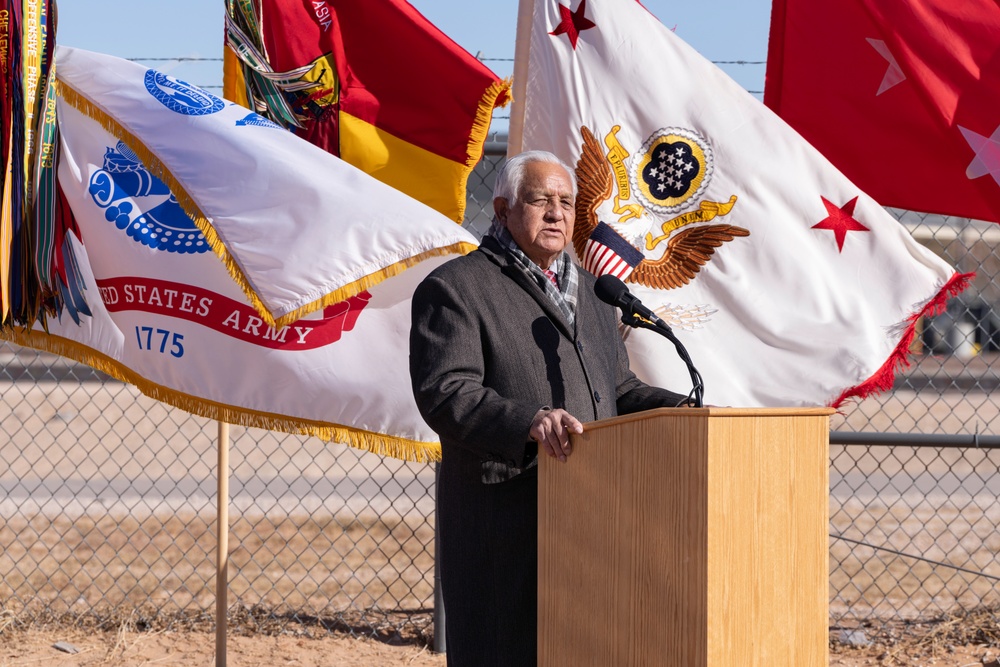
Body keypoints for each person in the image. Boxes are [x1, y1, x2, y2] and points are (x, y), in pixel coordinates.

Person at [408, 150, 690, 666]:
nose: (557, 213)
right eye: (540, 200)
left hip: (594, 519)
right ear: (503, 208)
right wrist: (529, 421)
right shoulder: (456, 288)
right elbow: (445, 391)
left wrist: (689, 410)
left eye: (566, 201)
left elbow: (618, 389)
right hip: (506, 523)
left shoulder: (594, 293)